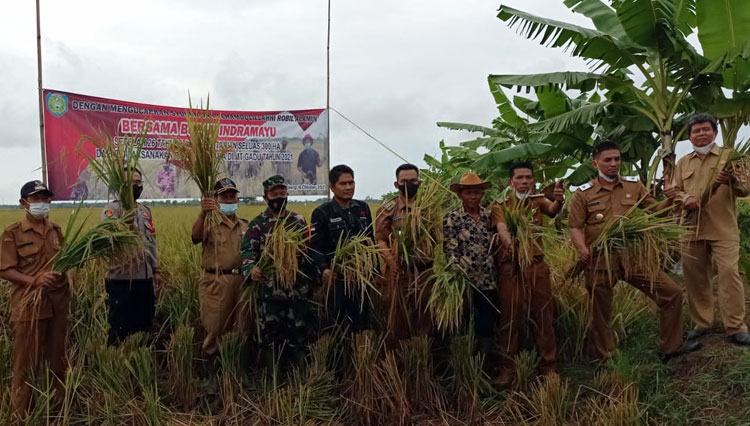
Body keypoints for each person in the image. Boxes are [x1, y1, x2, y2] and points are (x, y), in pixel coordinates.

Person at [569, 140, 701, 361]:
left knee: (671, 293)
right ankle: (606, 358)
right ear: (595, 163)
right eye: (607, 160)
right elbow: (575, 226)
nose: (613, 164)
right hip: (600, 259)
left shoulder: (634, 186)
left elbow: (655, 212)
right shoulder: (583, 193)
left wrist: (668, 199)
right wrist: (582, 249)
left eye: (617, 159)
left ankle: (671, 347)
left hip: (633, 256)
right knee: (600, 311)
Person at [665, 113, 750, 345]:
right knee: (695, 278)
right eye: (696, 131)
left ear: (714, 132)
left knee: (729, 275)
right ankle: (703, 323)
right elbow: (673, 192)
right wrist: (687, 199)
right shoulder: (683, 163)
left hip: (723, 229)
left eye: (705, 130)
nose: (701, 134)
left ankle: (736, 326)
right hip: (691, 229)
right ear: (690, 136)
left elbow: (745, 190)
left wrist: (731, 179)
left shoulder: (731, 157)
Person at [0, 181, 69, 420]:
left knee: (57, 363)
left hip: (57, 307)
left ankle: (58, 414)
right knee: (25, 367)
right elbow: (5, 269)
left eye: (45, 198)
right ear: (24, 203)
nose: (42, 203)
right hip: (28, 308)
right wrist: (34, 280)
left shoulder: (56, 230)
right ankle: (21, 417)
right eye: (36, 198)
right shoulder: (12, 232)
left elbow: (65, 261)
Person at [491, 161, 563, 386]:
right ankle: (507, 368)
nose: (524, 182)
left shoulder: (538, 200)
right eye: (520, 178)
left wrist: (560, 200)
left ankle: (549, 366)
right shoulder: (500, 205)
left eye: (528, 178)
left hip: (536, 266)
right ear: (510, 182)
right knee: (510, 317)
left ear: (533, 181)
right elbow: (502, 228)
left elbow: (552, 210)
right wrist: (509, 243)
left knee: (544, 314)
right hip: (511, 268)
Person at [241, 175, 313, 367]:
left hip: (296, 288)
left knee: (299, 331)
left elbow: (308, 251)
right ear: (265, 197)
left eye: (282, 193)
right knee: (269, 335)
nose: (279, 197)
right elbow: (248, 251)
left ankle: (300, 375)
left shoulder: (298, 220)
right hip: (269, 289)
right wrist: (251, 269)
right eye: (274, 194)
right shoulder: (257, 223)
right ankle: (272, 377)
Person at [101, 168, 162, 346]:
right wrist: (123, 225)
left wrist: (156, 270)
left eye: (138, 182)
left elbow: (152, 242)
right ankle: (116, 365)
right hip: (121, 280)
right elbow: (106, 239)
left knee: (144, 326)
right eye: (132, 183)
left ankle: (141, 364)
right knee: (120, 329)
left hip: (144, 279)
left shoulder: (145, 211)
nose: (136, 186)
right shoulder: (112, 210)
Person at [375, 163, 434, 347]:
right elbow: (380, 240)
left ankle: (423, 358)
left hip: (425, 272)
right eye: (404, 181)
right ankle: (397, 362)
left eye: (413, 181)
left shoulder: (429, 207)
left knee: (425, 318)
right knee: (398, 319)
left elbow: (439, 237)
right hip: (400, 273)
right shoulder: (389, 208)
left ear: (420, 182)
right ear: (396, 184)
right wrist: (392, 263)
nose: (409, 184)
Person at [310, 164, 374, 332]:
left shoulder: (363, 209)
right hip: (337, 280)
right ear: (332, 187)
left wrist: (375, 271)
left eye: (351, 183)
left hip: (361, 279)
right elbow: (316, 246)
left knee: (362, 325)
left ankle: (361, 356)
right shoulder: (322, 212)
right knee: (337, 327)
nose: (348, 187)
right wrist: (323, 269)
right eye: (343, 184)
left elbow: (371, 243)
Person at [443, 172, 498, 363]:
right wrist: (456, 271)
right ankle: (461, 362)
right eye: (469, 193)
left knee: (486, 323)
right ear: (461, 195)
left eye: (477, 192)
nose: (473, 197)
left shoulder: (490, 217)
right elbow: (450, 248)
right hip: (463, 280)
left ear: (482, 194)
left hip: (488, 279)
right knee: (462, 322)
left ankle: (484, 364)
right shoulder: (452, 218)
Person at [192, 178, 249, 355]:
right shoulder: (208, 223)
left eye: (232, 196)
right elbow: (195, 237)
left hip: (241, 281)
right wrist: (203, 213)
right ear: (216, 200)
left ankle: (236, 368)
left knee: (242, 326)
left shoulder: (245, 225)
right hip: (216, 281)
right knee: (216, 328)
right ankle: (212, 373)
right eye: (225, 197)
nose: (230, 200)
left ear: (237, 199)